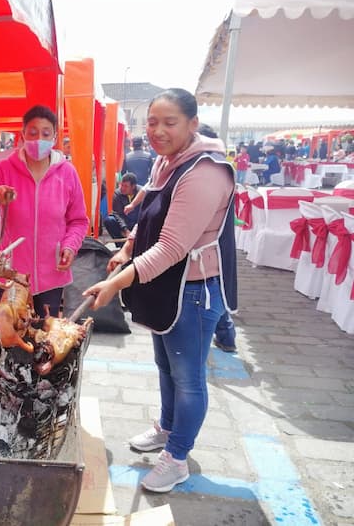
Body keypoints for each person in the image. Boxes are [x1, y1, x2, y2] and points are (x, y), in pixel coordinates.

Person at [83, 88, 236, 493]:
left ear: (192, 124)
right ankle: (168, 429)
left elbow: (171, 246)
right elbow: (150, 217)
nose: (158, 131)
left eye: (170, 122)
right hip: (167, 286)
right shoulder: (167, 164)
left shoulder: (204, 171)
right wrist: (129, 248)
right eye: (153, 122)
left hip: (194, 289)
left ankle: (178, 457)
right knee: (166, 367)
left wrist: (116, 282)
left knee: (188, 378)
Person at [0, 104, 89, 318]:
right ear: (22, 135)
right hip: (10, 273)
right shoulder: (3, 169)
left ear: (55, 137)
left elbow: (78, 220)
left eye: (45, 133)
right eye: (32, 133)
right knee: (9, 334)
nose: (38, 138)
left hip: (52, 273)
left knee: (44, 333)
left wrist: (70, 246)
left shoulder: (67, 173)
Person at [103, 172, 141, 240]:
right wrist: (125, 230)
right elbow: (118, 214)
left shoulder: (141, 193)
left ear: (133, 186)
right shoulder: (117, 194)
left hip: (138, 222)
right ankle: (122, 244)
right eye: (122, 185)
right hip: (124, 221)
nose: (122, 188)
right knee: (109, 220)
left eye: (126, 186)